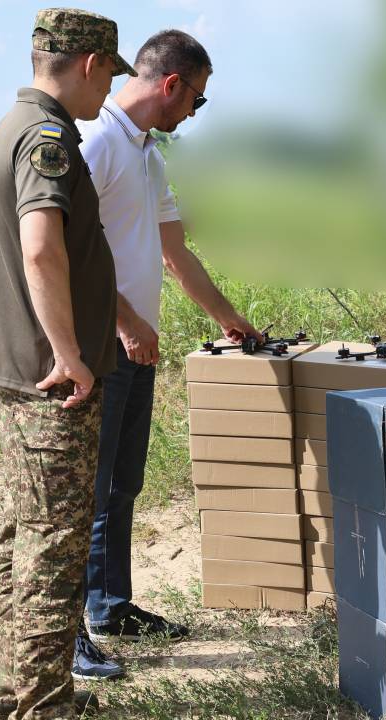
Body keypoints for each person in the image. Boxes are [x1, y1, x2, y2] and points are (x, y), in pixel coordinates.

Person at [70, 29, 258, 679]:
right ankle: (66, 634)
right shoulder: (97, 142)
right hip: (98, 342)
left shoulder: (148, 155)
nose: (194, 114)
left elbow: (177, 255)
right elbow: (70, 249)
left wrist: (233, 321)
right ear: (170, 85)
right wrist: (124, 323)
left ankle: (110, 604)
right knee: (82, 492)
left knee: (122, 484)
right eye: (197, 101)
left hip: (134, 343)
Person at [0, 8, 135, 718]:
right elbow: (41, 247)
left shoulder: (8, 128)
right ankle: (45, 706)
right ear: (92, 64)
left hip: (16, 371)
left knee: (21, 540)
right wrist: (72, 356)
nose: (108, 96)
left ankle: (6, 698)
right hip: (51, 382)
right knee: (53, 550)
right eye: (110, 78)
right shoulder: (48, 140)